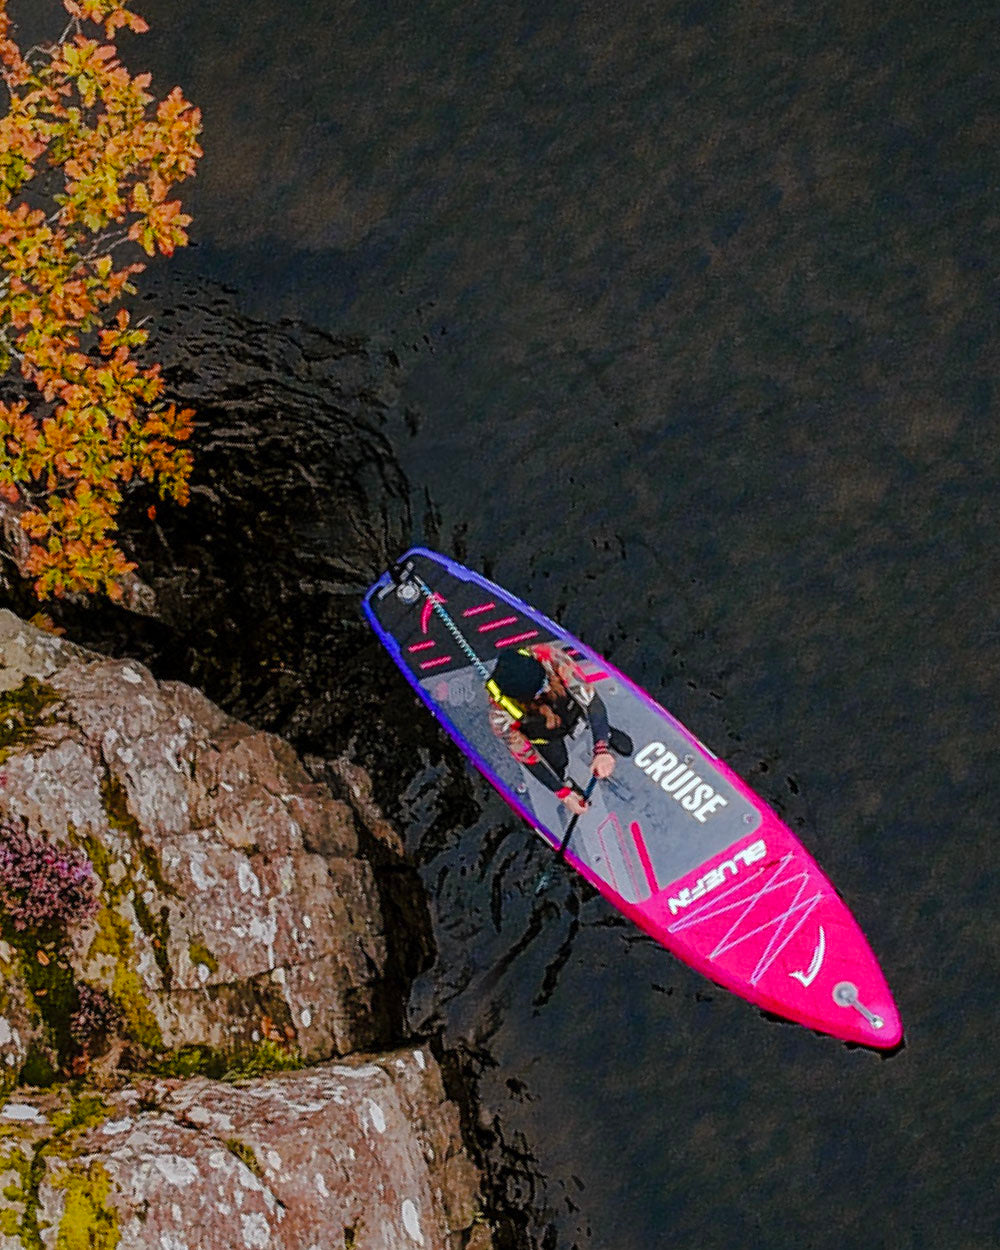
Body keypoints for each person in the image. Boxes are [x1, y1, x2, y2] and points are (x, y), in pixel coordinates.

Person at [485, 643, 632, 817]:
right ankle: (566, 781)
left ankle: (601, 732)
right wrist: (562, 793)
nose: (545, 689)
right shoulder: (500, 716)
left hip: (571, 711)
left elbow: (591, 699)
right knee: (558, 759)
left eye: (544, 683)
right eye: (539, 691)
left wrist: (601, 748)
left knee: (585, 717)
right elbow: (527, 757)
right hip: (544, 736)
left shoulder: (553, 659)